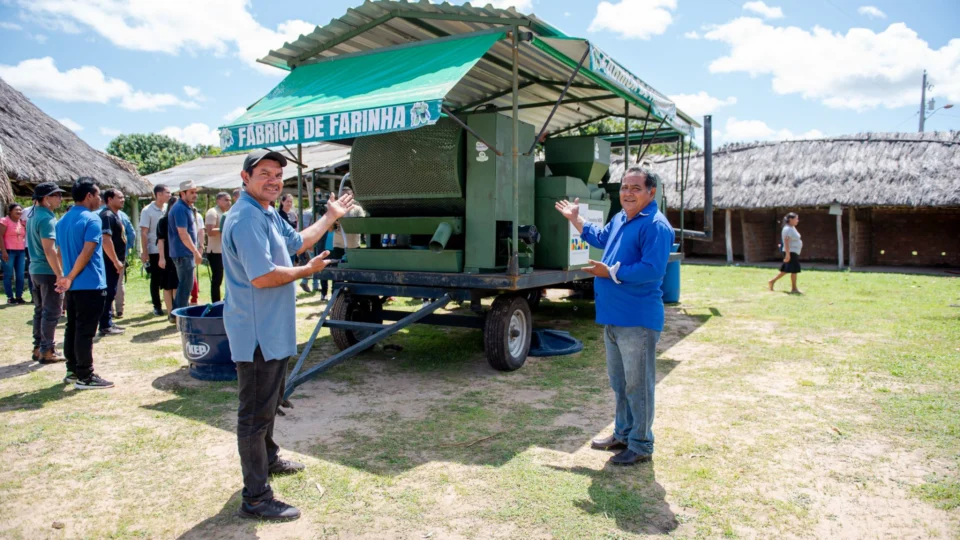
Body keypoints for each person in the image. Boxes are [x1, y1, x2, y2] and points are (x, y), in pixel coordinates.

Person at [222, 149, 353, 520]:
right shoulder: (246, 218)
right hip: (257, 335)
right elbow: (263, 277)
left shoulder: (266, 212)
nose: (274, 181)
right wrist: (306, 272)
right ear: (245, 178)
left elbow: (298, 242)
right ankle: (256, 498)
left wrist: (329, 216)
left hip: (273, 330)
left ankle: (269, 457)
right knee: (254, 414)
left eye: (278, 175)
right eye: (264, 173)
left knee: (269, 402)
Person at [555, 166, 673, 465]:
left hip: (638, 319)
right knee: (620, 384)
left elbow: (652, 270)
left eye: (635, 188)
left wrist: (610, 272)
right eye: (624, 187)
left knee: (638, 385)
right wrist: (576, 219)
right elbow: (600, 237)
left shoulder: (656, 226)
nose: (627, 193)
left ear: (651, 192)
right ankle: (623, 433)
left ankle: (641, 445)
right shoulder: (621, 218)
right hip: (614, 317)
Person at [56, 178, 113, 389]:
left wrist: (64, 276)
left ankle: (72, 370)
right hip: (90, 284)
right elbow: (87, 252)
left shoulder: (62, 220)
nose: (100, 199)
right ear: (89, 196)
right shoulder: (92, 219)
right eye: (98, 195)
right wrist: (70, 277)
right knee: (85, 331)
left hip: (73, 286)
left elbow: (59, 252)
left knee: (72, 327)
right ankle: (85, 375)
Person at [27, 182, 67, 364]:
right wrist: (59, 274)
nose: (60, 198)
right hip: (47, 270)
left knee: (40, 310)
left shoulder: (34, 215)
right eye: (56, 195)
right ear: (45, 199)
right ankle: (47, 350)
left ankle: (38, 347)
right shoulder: (46, 218)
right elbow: (49, 249)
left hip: (35, 269)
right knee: (52, 312)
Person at [168, 180, 202, 321]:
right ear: (182, 193)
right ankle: (177, 316)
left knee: (186, 285)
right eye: (191, 192)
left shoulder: (185, 207)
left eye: (195, 192)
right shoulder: (180, 209)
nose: (195, 195)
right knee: (185, 286)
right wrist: (196, 252)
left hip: (185, 253)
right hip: (183, 253)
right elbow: (183, 233)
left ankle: (178, 314)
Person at [97, 189, 126, 337]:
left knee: (112, 291)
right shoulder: (107, 216)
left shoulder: (115, 215)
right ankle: (105, 325)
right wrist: (115, 260)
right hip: (108, 262)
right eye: (119, 197)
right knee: (108, 293)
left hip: (114, 261)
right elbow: (106, 240)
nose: (123, 199)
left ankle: (107, 322)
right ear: (109, 199)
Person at [140, 184, 170, 315]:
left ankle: (169, 303)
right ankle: (157, 305)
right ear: (159, 194)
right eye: (167, 193)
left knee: (168, 277)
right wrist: (145, 251)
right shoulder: (147, 211)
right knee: (156, 279)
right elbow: (144, 232)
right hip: (154, 249)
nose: (169, 195)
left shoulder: (168, 208)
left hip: (168, 249)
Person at [156, 197, 180, 318]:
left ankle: (177, 312)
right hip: (167, 257)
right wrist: (161, 258)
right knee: (167, 286)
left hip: (180, 256)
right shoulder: (163, 221)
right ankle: (170, 312)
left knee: (177, 286)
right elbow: (160, 241)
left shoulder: (182, 220)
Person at [205, 192, 231, 303]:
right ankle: (215, 302)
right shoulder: (212, 212)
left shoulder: (226, 213)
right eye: (226, 200)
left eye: (230, 200)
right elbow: (210, 231)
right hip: (215, 251)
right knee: (217, 279)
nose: (229, 202)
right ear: (218, 201)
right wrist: (226, 228)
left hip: (225, 251)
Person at [769, 212, 803, 294]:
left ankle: (772, 281)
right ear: (790, 219)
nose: (797, 220)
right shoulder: (787, 229)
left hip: (793, 252)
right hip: (790, 252)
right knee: (793, 270)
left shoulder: (792, 228)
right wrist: (787, 255)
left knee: (787, 270)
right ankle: (794, 288)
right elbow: (786, 242)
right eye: (796, 219)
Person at [1, 203, 28, 304]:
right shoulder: (4, 221)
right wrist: (3, 251)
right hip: (9, 251)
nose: (19, 212)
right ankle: (10, 297)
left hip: (21, 251)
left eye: (20, 210)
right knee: (8, 275)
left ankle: (19, 296)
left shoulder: (22, 222)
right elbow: (0, 236)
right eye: (16, 210)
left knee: (20, 275)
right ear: (10, 211)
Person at [299, 197, 326, 295]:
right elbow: (305, 228)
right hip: (310, 242)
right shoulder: (308, 214)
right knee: (314, 263)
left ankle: (315, 285)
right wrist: (308, 244)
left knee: (315, 262)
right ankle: (305, 281)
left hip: (317, 241)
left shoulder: (318, 214)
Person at [114, 207, 136, 318]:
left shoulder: (96, 214)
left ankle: (108, 310)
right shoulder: (122, 215)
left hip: (103, 255)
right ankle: (119, 310)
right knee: (119, 282)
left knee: (105, 282)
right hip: (120, 254)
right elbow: (131, 234)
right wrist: (127, 248)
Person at [190, 205, 205, 305]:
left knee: (192, 274)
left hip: (192, 248)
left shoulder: (198, 216)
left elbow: (201, 231)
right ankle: (193, 298)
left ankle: (194, 298)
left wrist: (201, 247)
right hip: (190, 248)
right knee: (191, 274)